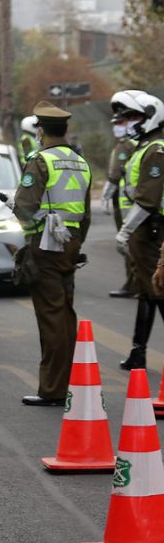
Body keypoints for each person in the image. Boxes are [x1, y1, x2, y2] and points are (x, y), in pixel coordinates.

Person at [13, 101, 91, 406]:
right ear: (66, 130)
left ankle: (53, 389)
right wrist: (75, 243)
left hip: (45, 246)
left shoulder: (40, 161)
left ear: (41, 130)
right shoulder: (81, 162)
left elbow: (24, 207)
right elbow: (84, 215)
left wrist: (34, 222)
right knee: (65, 314)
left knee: (51, 317)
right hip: (70, 243)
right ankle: (68, 382)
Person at [111, 90, 164, 370]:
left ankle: (138, 353)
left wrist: (125, 231)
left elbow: (147, 198)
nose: (127, 122)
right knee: (147, 291)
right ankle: (138, 353)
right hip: (147, 230)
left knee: (157, 291)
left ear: (151, 117)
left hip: (152, 229)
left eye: (133, 116)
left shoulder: (156, 149)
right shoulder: (144, 146)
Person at [102, 111, 138, 297]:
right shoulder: (137, 142)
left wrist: (107, 193)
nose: (117, 126)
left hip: (126, 202)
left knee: (128, 242)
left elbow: (115, 174)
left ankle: (134, 285)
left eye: (120, 122)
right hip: (134, 201)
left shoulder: (125, 145)